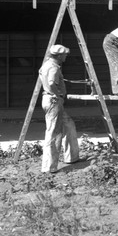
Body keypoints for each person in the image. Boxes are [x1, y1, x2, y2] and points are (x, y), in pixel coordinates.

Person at [39, 44, 82, 173]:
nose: (65, 57)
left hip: (50, 100)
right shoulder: (53, 67)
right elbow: (51, 83)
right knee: (53, 133)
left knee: (69, 125)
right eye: (64, 55)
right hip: (54, 102)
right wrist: (57, 95)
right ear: (58, 56)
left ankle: (72, 157)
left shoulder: (46, 65)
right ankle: (49, 167)